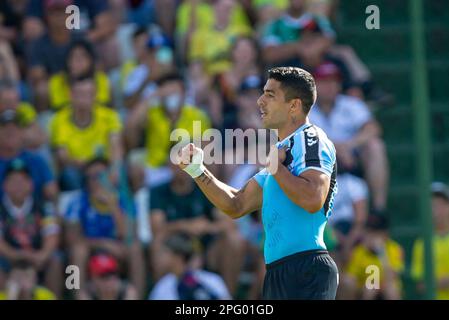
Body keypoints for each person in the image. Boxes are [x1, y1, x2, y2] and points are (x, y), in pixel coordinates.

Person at [176, 67, 339, 300]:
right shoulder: (282, 152)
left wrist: (275, 166)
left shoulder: (311, 138)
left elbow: (313, 199)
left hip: (305, 268)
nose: (260, 101)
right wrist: (197, 170)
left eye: (270, 95)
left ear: (293, 106)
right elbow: (237, 204)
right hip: (278, 272)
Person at [150, 162, 245, 296]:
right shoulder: (158, 191)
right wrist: (186, 226)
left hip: (206, 244)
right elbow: (157, 229)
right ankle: (165, 295)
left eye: (184, 164)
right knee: (158, 245)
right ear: (169, 167)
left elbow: (229, 222)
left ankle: (227, 297)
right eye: (176, 164)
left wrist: (208, 227)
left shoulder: (203, 188)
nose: (180, 169)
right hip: (175, 246)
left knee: (233, 239)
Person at [308, 61, 388, 214]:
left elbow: (373, 128)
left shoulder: (351, 104)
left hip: (352, 159)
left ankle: (379, 210)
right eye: (324, 81)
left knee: (375, 146)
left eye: (333, 81)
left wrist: (349, 145)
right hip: (319, 159)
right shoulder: (304, 108)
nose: (329, 86)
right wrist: (335, 148)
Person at [64, 158, 145, 298]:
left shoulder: (125, 200)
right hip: (90, 251)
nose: (98, 181)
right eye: (92, 177)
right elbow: (72, 240)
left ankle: (137, 296)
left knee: (135, 249)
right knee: (77, 251)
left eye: (102, 176)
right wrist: (103, 244)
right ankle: (78, 295)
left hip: (119, 252)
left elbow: (129, 235)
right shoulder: (77, 202)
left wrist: (113, 207)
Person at [125, 72, 211, 188]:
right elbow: (131, 125)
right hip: (155, 167)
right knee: (135, 169)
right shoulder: (152, 113)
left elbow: (206, 149)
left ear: (184, 94)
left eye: (175, 92)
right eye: (167, 92)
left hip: (186, 169)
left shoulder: (197, 116)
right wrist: (153, 96)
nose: (171, 96)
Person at [0, 159, 61, 298]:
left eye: (22, 181)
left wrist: (43, 255)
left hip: (37, 256)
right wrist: (17, 255)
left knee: (57, 260)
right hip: (9, 258)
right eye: (13, 182)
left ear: (31, 185)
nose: (18, 186)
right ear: (5, 185)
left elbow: (52, 235)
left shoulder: (44, 206)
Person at [49, 75, 123, 191]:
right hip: (78, 169)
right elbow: (63, 156)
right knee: (70, 175)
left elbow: (115, 146)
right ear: (70, 95)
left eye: (88, 94)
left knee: (121, 171)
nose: (84, 99)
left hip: (105, 168)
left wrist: (115, 169)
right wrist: (88, 166)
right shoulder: (59, 120)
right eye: (79, 94)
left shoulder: (110, 116)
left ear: (95, 96)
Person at [149, 233, 231, 300]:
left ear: (177, 257)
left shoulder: (211, 280)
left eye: (165, 253)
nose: (160, 258)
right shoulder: (163, 285)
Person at [0, 109, 58, 202]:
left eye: (15, 127)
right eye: (5, 127)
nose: (10, 131)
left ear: (22, 132)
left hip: (34, 214)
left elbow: (52, 192)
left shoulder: (37, 161)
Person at [343, 214, 404, 300]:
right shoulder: (359, 250)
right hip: (365, 288)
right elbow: (351, 276)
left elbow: (392, 276)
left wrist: (381, 252)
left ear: (385, 234)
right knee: (368, 287)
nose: (371, 236)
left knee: (391, 290)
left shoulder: (394, 249)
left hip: (387, 286)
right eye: (369, 232)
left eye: (375, 233)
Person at [48, 39, 111, 110]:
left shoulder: (101, 78)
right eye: (74, 57)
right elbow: (59, 106)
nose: (78, 61)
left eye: (83, 56)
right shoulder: (57, 80)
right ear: (67, 61)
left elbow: (102, 104)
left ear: (91, 60)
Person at [411, 182, 449, 300]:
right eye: (431, 205)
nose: (436, 209)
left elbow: (427, 284)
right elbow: (421, 286)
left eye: (440, 204)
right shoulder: (421, 243)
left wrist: (433, 283)